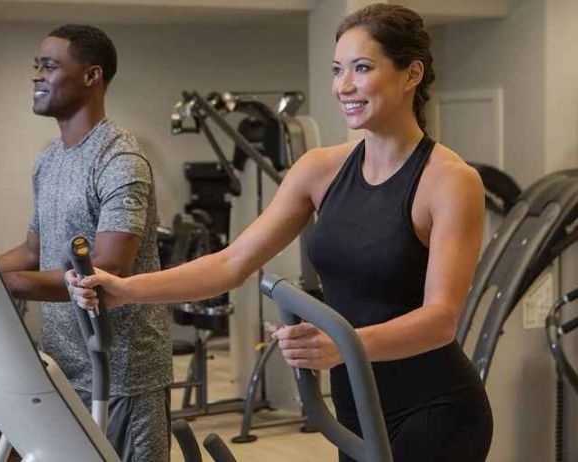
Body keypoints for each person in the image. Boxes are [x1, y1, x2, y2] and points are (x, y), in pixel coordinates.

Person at [66, 4, 493, 461]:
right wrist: (125, 290)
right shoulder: (320, 170)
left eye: (362, 68)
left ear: (412, 74)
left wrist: (341, 346)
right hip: (356, 411)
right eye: (337, 70)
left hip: (435, 409)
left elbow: (440, 320)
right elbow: (233, 263)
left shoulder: (449, 181)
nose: (343, 86)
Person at [0, 24, 172, 462]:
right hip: (59, 359)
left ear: (91, 76)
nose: (36, 76)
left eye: (49, 66)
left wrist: (2, 285)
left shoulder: (120, 159)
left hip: (119, 370)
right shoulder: (50, 159)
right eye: (35, 67)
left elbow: (108, 270)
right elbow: (31, 250)